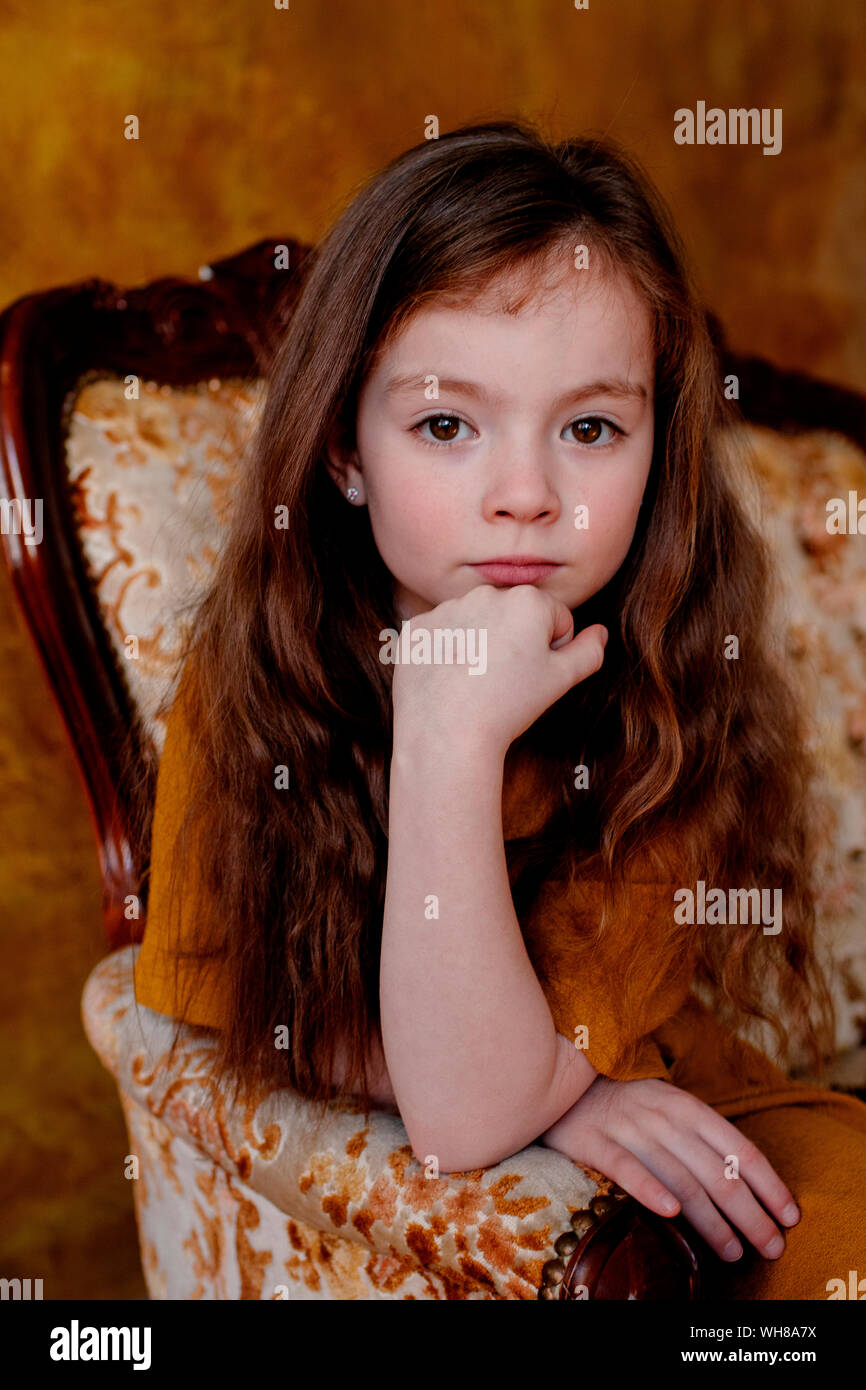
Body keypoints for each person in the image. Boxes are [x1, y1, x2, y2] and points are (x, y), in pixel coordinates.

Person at [132, 118, 866, 1300]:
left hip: (697, 1113)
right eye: (443, 424)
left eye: (588, 428)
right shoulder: (249, 679)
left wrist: (549, 1079)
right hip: (570, 1105)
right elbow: (374, 1063)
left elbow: (494, 1090)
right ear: (341, 449)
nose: (524, 497)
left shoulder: (663, 690)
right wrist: (449, 733)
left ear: (654, 449)